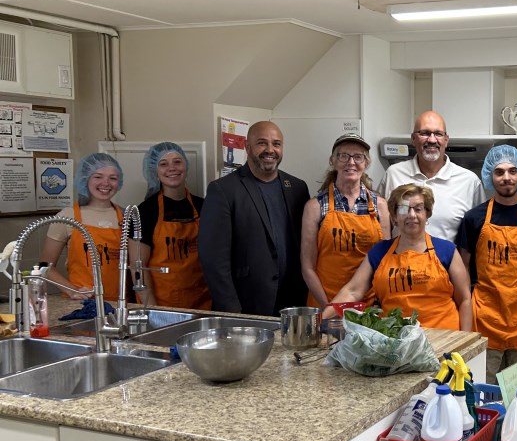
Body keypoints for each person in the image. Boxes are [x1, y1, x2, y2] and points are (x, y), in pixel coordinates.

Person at [457, 145, 517, 385]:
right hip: (485, 318)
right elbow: (463, 269)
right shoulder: (474, 218)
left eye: (512, 171)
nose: (506, 178)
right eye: (499, 172)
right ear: (490, 175)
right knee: (482, 393)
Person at [198, 121, 310, 316]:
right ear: (247, 147)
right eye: (262, 143)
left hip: (292, 304)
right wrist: (231, 310)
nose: (270, 150)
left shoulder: (297, 188)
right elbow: (214, 260)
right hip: (247, 305)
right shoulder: (223, 190)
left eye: (276, 144)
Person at [324, 184, 473, 331]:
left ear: (427, 214)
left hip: (444, 339)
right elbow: (352, 291)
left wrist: (466, 342)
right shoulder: (379, 252)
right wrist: (321, 320)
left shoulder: (446, 251)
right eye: (404, 209)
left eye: (418, 209)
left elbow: (465, 300)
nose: (411, 215)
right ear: (394, 216)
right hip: (393, 340)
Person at [301, 133, 390, 308]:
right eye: (344, 156)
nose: (351, 162)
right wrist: (329, 308)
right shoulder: (315, 206)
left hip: (369, 307)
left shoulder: (380, 206)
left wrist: (375, 304)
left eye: (358, 157)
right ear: (332, 161)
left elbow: (384, 263)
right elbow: (308, 268)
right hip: (325, 302)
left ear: (366, 163)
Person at [378, 111, 486, 242]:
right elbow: (380, 225)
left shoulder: (469, 182)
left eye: (438, 134)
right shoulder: (393, 175)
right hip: (399, 260)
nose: (432, 139)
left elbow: (479, 235)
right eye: (424, 133)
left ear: (446, 140)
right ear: (413, 139)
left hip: (448, 262)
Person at [130, 142, 211, 309]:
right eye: (163, 164)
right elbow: (138, 267)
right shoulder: (144, 212)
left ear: (186, 166)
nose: (172, 168)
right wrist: (152, 309)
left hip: (203, 302)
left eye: (177, 162)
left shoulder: (204, 206)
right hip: (162, 305)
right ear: (154, 171)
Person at [40, 153, 126, 301]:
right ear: (85, 179)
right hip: (82, 303)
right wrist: (73, 290)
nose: (106, 183)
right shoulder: (67, 216)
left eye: (113, 178)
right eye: (98, 176)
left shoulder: (126, 215)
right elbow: (44, 266)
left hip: (121, 303)